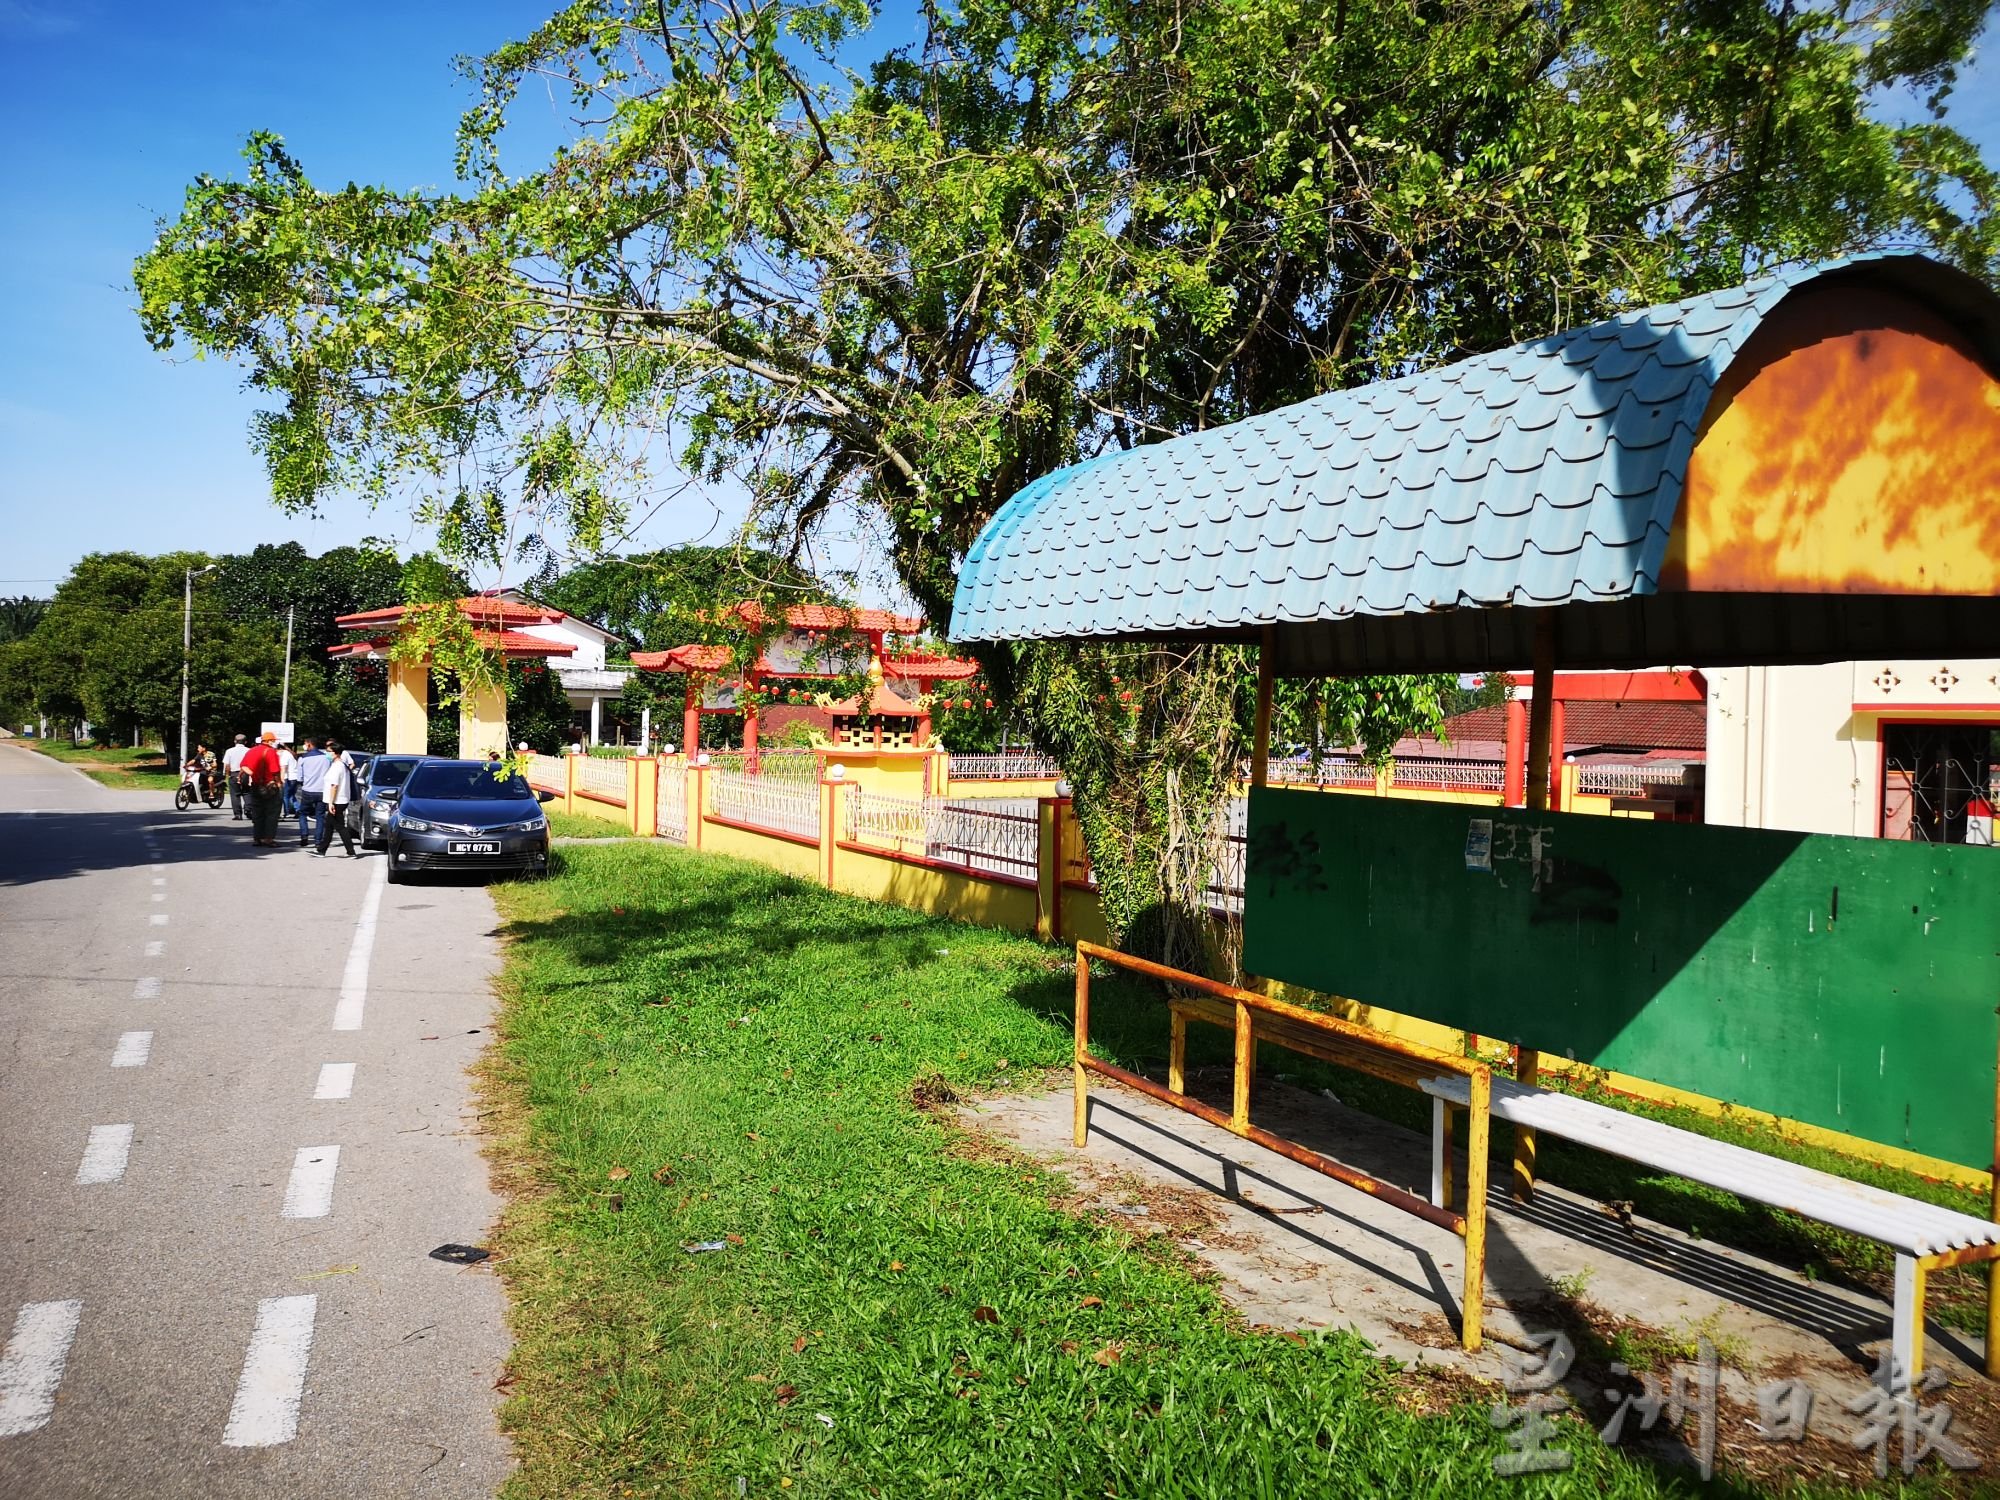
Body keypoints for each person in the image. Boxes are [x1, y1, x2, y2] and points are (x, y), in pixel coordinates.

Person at [240, 731, 287, 846]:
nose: (274, 743)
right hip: (269, 786)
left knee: (257, 812)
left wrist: (252, 773)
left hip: (256, 785)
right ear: (269, 741)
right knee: (272, 813)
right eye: (273, 741)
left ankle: (257, 838)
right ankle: (269, 838)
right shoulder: (271, 752)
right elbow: (275, 770)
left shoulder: (251, 750)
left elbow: (243, 765)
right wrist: (279, 783)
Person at [316, 738, 358, 858]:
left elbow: (334, 785)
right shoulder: (340, 765)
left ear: (336, 753)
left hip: (337, 801)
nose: (327, 753)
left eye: (329, 751)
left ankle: (350, 851)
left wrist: (331, 803)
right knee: (329, 826)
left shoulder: (337, 766)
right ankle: (321, 850)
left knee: (339, 827)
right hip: (339, 800)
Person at [295, 738, 330, 848]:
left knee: (303, 813)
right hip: (322, 791)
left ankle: (304, 836)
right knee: (320, 815)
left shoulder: (303, 758)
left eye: (305, 744)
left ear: (309, 745)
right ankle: (318, 840)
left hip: (308, 790)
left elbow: (299, 777)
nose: (304, 746)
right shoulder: (326, 757)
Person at [221, 733, 250, 820]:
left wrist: (227, 775)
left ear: (235, 741)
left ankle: (238, 814)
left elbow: (227, 765)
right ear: (245, 742)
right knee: (247, 792)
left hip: (234, 773)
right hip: (246, 773)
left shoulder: (229, 751)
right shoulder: (249, 750)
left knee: (235, 794)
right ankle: (249, 810)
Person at [279, 741, 300, 816]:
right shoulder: (290, 754)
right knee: (291, 795)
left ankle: (285, 812)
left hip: (289, 778)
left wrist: (282, 779)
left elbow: (284, 768)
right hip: (294, 777)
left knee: (285, 796)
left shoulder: (285, 755)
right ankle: (298, 809)